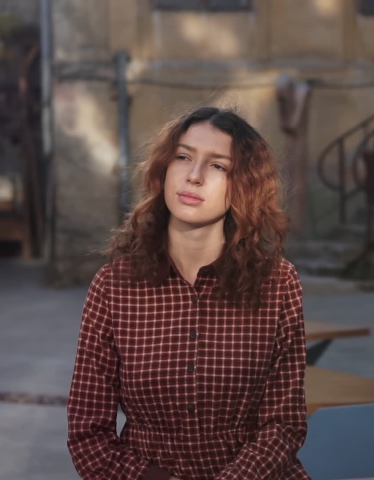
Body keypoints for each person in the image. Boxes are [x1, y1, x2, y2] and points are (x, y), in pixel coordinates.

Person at [66, 106, 310, 480]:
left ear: (243, 185)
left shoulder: (277, 283)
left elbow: (284, 425)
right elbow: (88, 435)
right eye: (183, 157)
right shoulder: (113, 287)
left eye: (217, 166)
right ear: (164, 169)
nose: (193, 176)